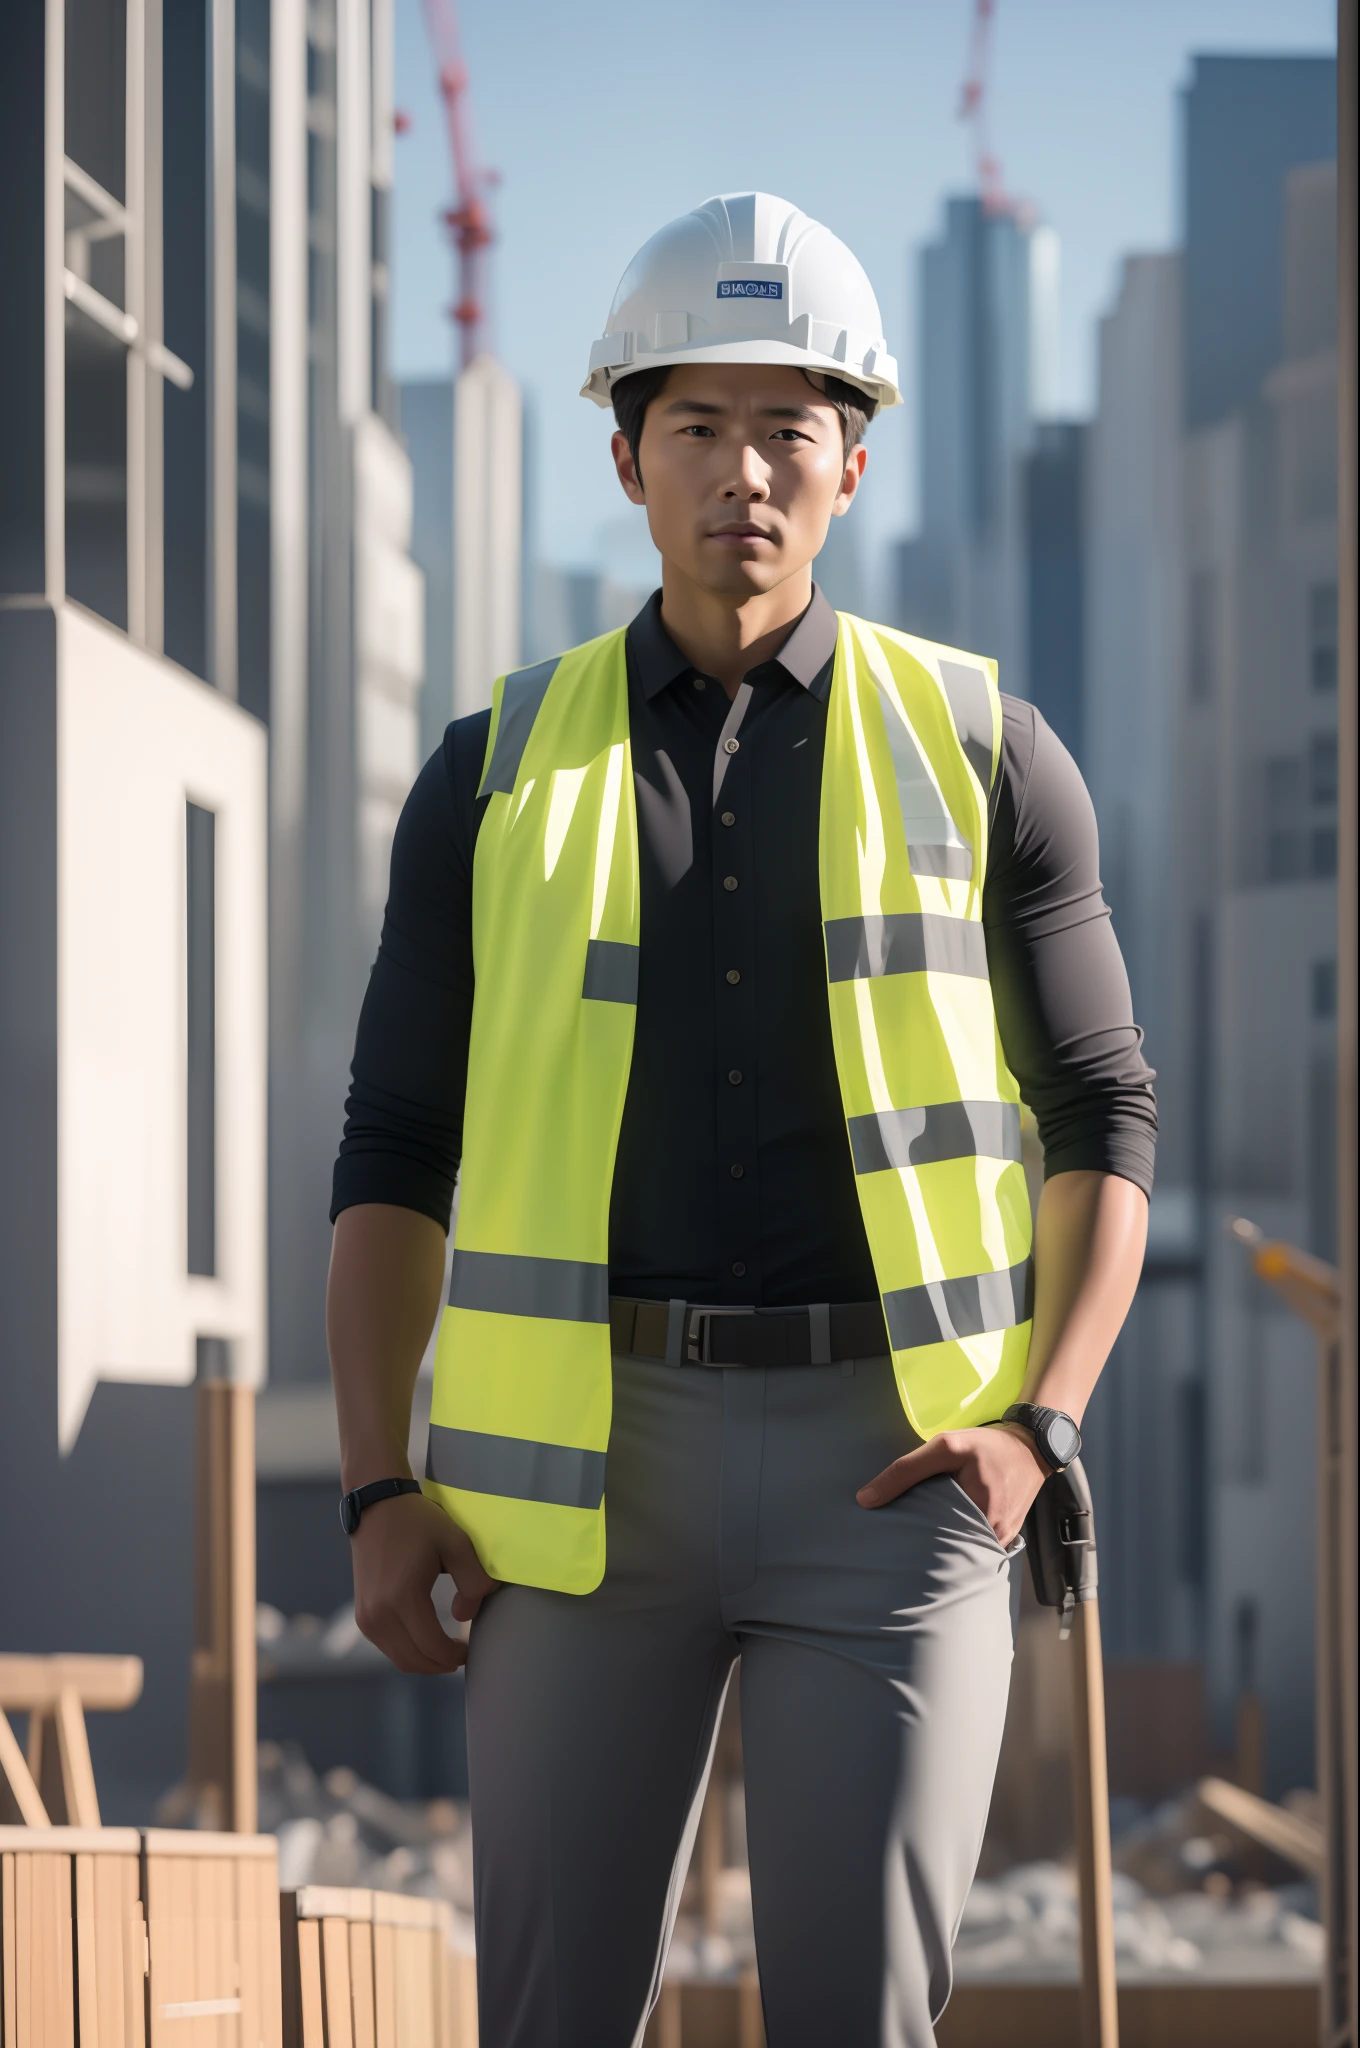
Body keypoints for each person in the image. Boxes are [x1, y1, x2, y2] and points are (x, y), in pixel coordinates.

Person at [327, 193, 1155, 2047]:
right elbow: (395, 1145)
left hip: (899, 1469)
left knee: (861, 2020)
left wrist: (1040, 1423)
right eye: (699, 425)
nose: (746, 475)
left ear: (852, 462)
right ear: (625, 455)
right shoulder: (490, 771)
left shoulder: (986, 749)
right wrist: (382, 1483)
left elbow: (1106, 1108)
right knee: (549, 2021)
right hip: (576, 1489)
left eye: (792, 429)